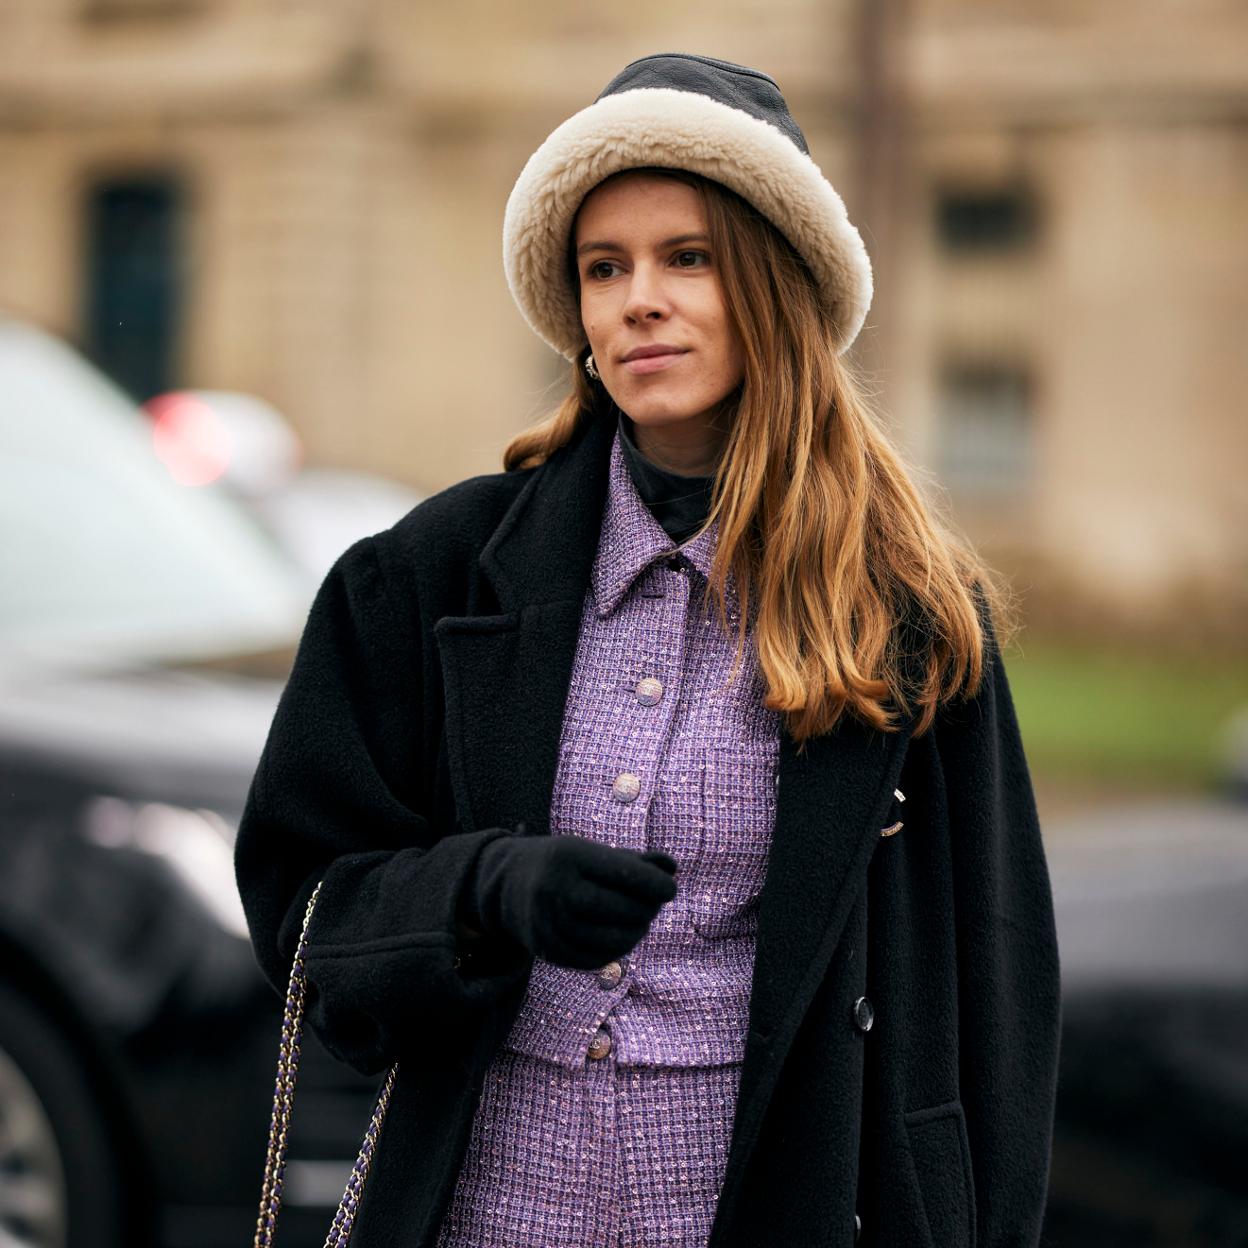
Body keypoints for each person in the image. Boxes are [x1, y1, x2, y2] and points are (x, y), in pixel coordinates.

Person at [235, 52, 1061, 1248]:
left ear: (774, 288)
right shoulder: (422, 577)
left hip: (790, 1205)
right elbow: (304, 906)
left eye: (689, 258)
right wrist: (481, 888)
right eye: (603, 267)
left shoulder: (909, 608)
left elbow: (1003, 996)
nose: (639, 300)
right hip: (484, 1208)